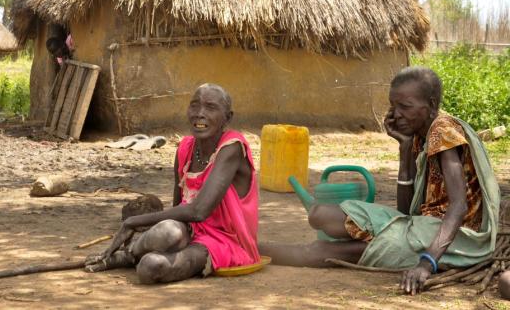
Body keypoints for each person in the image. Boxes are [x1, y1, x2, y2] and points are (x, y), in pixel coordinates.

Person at [259, 66, 500, 295]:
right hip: (417, 226)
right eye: (393, 106)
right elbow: (405, 212)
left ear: (431, 106)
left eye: (405, 106)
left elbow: (459, 207)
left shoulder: (443, 130)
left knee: (320, 251)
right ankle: (253, 249)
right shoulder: (420, 134)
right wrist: (405, 148)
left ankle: (252, 251)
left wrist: (426, 264)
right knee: (319, 214)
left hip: (452, 238)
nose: (396, 115)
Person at [85, 83, 260, 283]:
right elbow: (178, 209)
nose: (200, 113)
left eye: (211, 107)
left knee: (150, 267)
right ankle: (130, 254)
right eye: (195, 105)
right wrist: (164, 235)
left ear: (227, 118)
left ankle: (130, 256)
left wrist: (133, 221)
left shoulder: (232, 147)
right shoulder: (185, 148)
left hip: (224, 242)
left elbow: (198, 211)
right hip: (190, 231)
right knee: (168, 230)